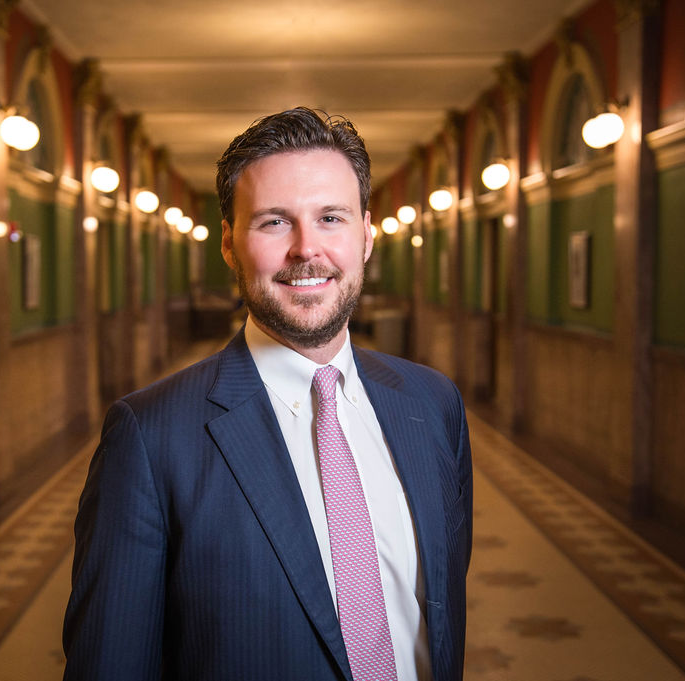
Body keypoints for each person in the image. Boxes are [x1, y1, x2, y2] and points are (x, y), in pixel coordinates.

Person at [63, 107, 472, 681]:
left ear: (367, 235)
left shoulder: (433, 405)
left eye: (331, 217)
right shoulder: (150, 437)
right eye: (274, 222)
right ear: (229, 243)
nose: (307, 249)